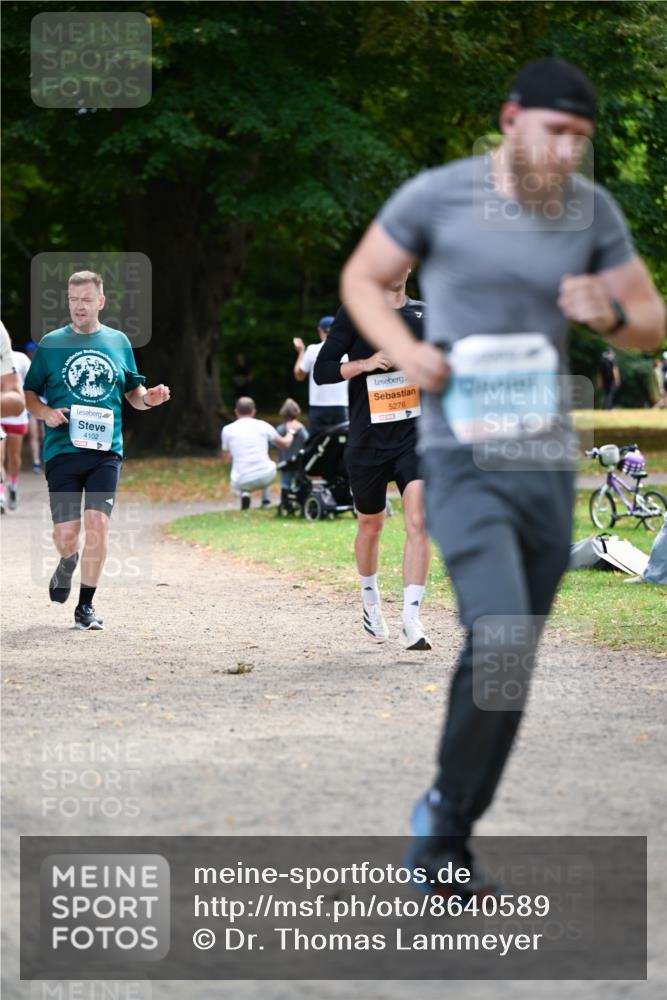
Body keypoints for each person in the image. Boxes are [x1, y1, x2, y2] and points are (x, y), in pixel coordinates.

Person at [340, 58, 665, 887]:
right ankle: (444, 840)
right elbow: (363, 280)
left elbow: (649, 319)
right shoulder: (438, 196)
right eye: (554, 132)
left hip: (543, 469)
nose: (566, 153)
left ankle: (445, 811)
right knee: (499, 635)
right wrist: (409, 350)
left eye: (580, 141)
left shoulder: (590, 212)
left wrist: (612, 313)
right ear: (510, 116)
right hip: (460, 459)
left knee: (509, 657)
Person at [23, 270, 170, 631]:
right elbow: (29, 394)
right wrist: (45, 412)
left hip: (106, 451)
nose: (79, 306)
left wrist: (148, 400)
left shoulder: (119, 341)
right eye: (73, 300)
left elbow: (133, 394)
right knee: (66, 536)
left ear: (101, 302)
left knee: (98, 525)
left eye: (87, 299)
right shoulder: (51, 343)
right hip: (62, 451)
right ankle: (67, 560)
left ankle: (85, 606)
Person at [314, 268, 432, 650]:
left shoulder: (427, 315)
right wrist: (366, 364)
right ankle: (370, 603)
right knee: (371, 524)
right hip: (367, 439)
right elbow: (323, 371)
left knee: (419, 519)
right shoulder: (356, 313)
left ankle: (412, 620)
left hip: (415, 436)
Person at [222, 396, 295, 510]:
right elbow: (285, 444)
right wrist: (291, 431)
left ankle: (244, 493)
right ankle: (266, 500)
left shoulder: (227, 430)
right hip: (265, 476)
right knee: (270, 465)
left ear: (236, 412)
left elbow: (226, 457)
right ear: (254, 412)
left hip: (241, 480)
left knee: (237, 475)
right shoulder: (263, 425)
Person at [293, 317, 349, 437]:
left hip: (318, 406)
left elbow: (299, 375)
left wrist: (301, 351)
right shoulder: (347, 351)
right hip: (341, 405)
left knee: (314, 443)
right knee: (341, 444)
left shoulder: (312, 350)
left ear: (320, 331)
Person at [0, 336, 31, 511]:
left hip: (17, 417)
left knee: (14, 458)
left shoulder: (20, 358)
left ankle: (13, 484)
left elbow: (33, 382)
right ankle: (1, 495)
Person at [275, 398, 309, 510]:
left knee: (285, 483)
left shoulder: (280, 428)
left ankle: (285, 504)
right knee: (298, 483)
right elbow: (307, 441)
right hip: (297, 462)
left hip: (285, 462)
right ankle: (299, 503)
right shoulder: (300, 428)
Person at [24, 340, 46, 472]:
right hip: (30, 405)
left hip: (44, 403)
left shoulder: (43, 365)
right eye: (30, 351)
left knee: (44, 435)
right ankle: (36, 462)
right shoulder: (24, 365)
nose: (32, 353)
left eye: (34, 351)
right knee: (33, 435)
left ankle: (43, 456)